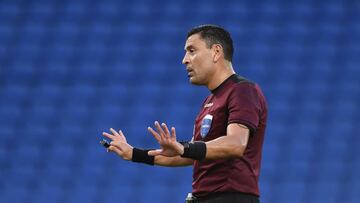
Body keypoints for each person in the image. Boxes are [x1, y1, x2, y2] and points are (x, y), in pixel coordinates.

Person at [101, 24, 268, 203]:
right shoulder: (209, 101)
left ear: (216, 52)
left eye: (192, 50)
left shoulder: (242, 90)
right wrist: (134, 153)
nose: (184, 60)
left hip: (231, 197)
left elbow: (236, 144)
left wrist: (185, 148)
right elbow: (193, 154)